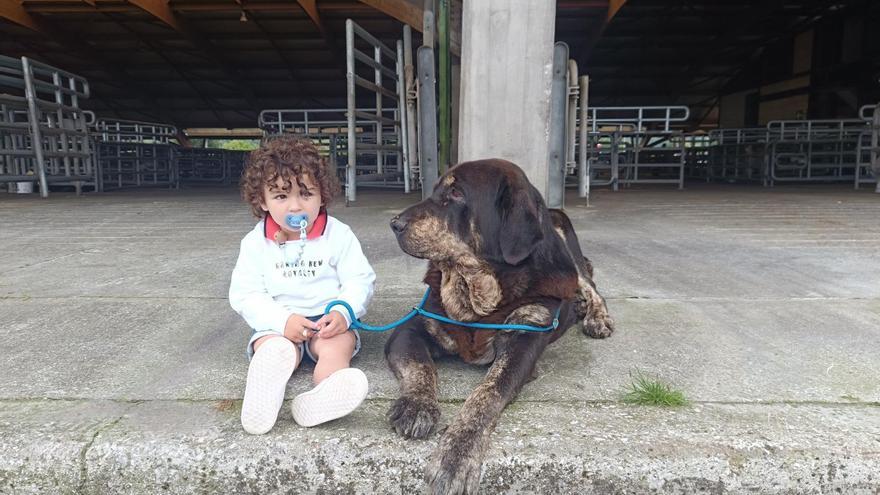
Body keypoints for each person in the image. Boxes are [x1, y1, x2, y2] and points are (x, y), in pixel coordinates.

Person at [229, 136, 375, 434]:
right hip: (279, 323)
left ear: (322, 195)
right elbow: (246, 294)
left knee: (337, 347)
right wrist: (282, 321)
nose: (296, 206)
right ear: (262, 201)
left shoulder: (338, 234)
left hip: (327, 322)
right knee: (275, 348)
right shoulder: (255, 243)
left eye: (306, 193)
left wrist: (343, 312)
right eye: (281, 197)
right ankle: (267, 385)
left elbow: (359, 279)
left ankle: (325, 394)